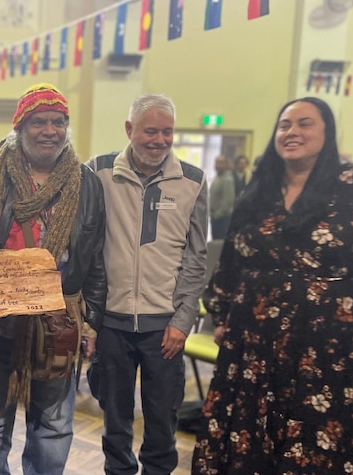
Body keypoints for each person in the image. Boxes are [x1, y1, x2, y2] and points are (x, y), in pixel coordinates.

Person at [192, 97, 353, 474]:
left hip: (323, 338)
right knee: (246, 432)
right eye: (285, 125)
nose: (292, 132)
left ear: (327, 132)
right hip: (252, 338)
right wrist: (221, 313)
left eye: (305, 123)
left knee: (312, 437)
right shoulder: (259, 190)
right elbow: (232, 261)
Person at [0, 84, 106, 474]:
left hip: (60, 318)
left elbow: (95, 258)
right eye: (39, 122)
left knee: (54, 425)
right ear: (20, 127)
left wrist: (91, 321)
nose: (49, 130)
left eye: (58, 122)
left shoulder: (87, 183)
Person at [87, 93, 207, 475]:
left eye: (167, 132)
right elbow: (87, 247)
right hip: (112, 324)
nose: (159, 140)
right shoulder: (99, 172)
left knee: (161, 423)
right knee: (114, 423)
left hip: (165, 328)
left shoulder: (193, 182)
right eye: (150, 131)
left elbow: (196, 259)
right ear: (129, 130)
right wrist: (90, 318)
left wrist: (183, 321)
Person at [209, 155, 235, 240]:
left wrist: (217, 215)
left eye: (221, 163)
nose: (218, 165)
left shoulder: (227, 179)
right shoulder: (217, 177)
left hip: (222, 218)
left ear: (226, 165)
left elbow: (227, 202)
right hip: (215, 217)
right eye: (217, 163)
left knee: (219, 244)